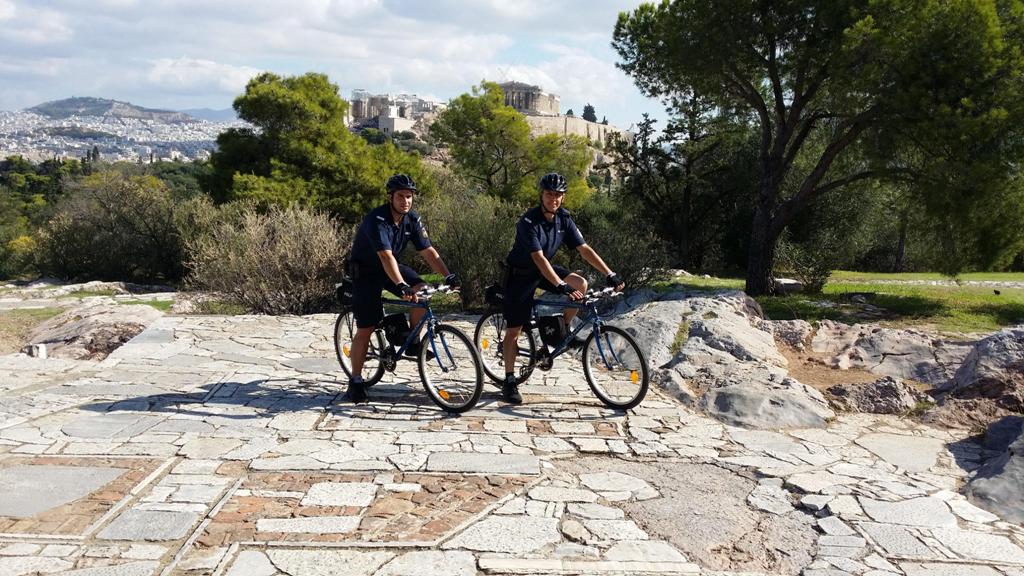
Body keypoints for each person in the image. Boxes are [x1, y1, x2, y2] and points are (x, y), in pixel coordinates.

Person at [500, 172, 624, 404]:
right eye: (549, 194)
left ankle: (561, 331)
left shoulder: (563, 219)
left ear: (563, 198)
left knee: (581, 283)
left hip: (544, 269)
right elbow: (538, 258)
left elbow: (584, 249)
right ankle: (508, 381)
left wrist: (610, 273)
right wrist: (560, 285)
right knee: (514, 331)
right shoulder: (529, 221)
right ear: (542, 195)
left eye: (558, 195)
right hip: (522, 274)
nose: (553, 199)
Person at [346, 174, 459, 403]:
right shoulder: (377, 220)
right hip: (367, 273)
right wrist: (400, 285)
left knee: (421, 288)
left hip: (391, 268)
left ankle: (413, 342)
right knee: (366, 328)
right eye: (401, 196)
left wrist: (448, 276)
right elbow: (385, 257)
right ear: (391, 197)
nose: (406, 201)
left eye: (409, 197)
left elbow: (428, 251)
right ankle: (356, 381)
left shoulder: (412, 220)